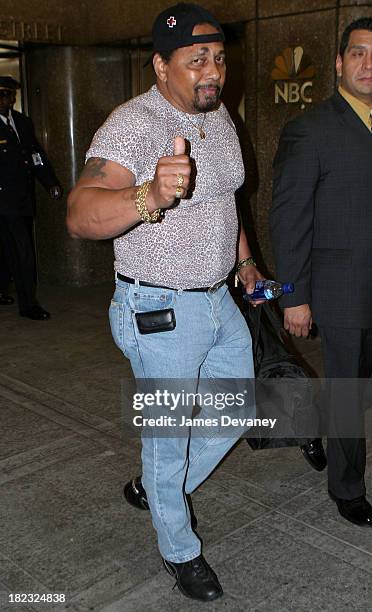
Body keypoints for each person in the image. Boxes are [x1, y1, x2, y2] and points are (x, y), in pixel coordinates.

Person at [67, 2, 264, 602]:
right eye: (196, 60)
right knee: (168, 436)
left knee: (237, 411)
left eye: (219, 59)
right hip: (159, 308)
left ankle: (157, 488)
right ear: (160, 65)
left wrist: (245, 259)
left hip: (218, 298)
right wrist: (150, 193)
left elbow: (226, 200)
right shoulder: (131, 125)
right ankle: (179, 549)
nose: (212, 72)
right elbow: (79, 215)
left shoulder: (219, 115)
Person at [271, 17, 372, 526]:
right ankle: (347, 487)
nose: (368, 64)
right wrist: (293, 294)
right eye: (358, 53)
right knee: (349, 389)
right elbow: (289, 217)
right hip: (341, 291)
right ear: (338, 63)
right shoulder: (310, 129)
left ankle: (313, 426)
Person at [0, 76, 62, 320]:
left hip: (23, 200)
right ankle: (28, 304)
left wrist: (50, 182)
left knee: (10, 249)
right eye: (3, 94)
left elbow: (36, 154)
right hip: (4, 201)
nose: (8, 99)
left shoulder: (23, 122)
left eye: (10, 95)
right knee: (21, 251)